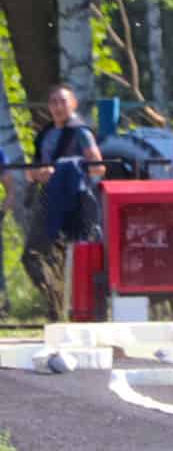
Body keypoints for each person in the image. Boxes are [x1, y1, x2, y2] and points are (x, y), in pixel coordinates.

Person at [18, 84, 104, 318]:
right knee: (32, 255)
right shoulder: (44, 134)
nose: (57, 107)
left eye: (62, 101)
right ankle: (55, 301)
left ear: (73, 104)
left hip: (76, 202)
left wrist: (66, 169)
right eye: (53, 102)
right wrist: (40, 173)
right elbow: (30, 171)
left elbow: (98, 167)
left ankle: (82, 310)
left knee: (77, 259)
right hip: (48, 200)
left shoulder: (81, 132)